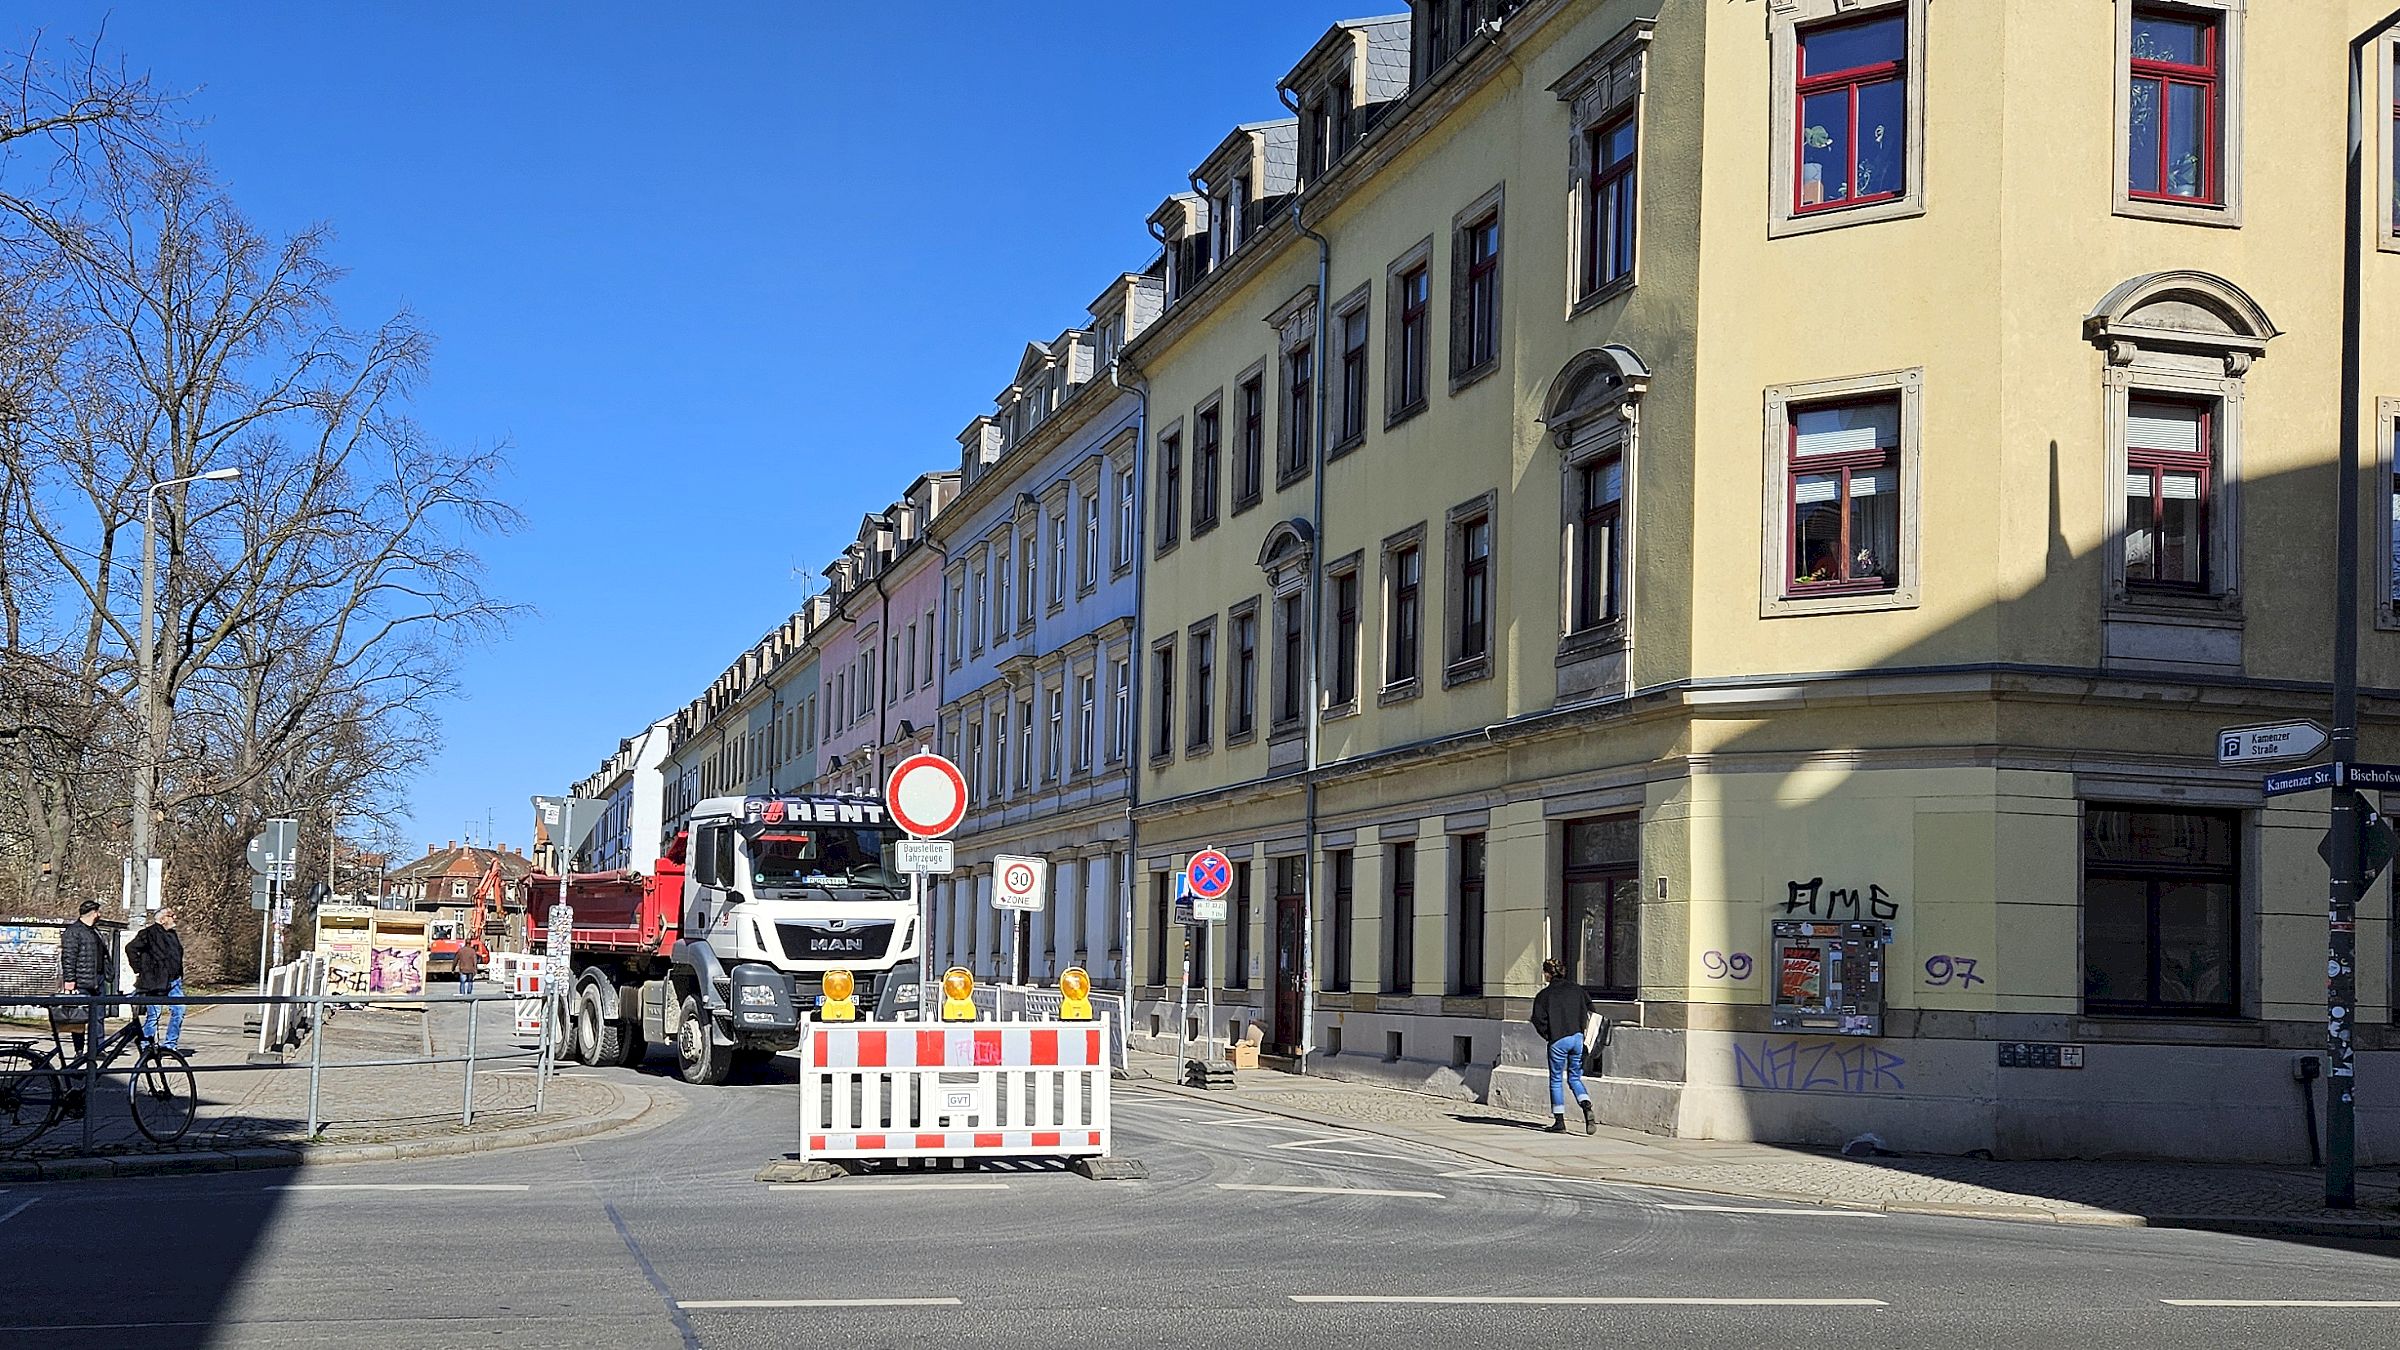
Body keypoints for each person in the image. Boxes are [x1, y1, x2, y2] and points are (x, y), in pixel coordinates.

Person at [1530, 957, 1597, 1136]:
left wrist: (1549, 1035)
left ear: (1547, 974)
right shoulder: (1577, 990)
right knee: (1575, 1077)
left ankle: (1559, 1122)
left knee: (1556, 1079)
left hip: (1558, 1039)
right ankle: (1586, 1105)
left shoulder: (1544, 995)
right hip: (1577, 1038)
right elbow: (1592, 1010)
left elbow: (1538, 1019)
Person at [56, 900, 111, 1104]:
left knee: (98, 1015)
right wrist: (70, 981)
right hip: (81, 980)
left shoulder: (95, 932)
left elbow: (103, 955)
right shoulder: (74, 932)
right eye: (98, 912)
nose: (100, 915)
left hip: (97, 980)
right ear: (92, 912)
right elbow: (68, 957)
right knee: (78, 1017)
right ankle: (80, 1051)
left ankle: (97, 1047)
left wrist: (107, 973)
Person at [127, 906, 187, 1050]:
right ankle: (146, 1044)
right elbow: (131, 948)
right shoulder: (148, 934)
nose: (175, 918)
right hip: (155, 982)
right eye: (171, 915)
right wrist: (140, 969)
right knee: (154, 1015)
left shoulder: (172, 934)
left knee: (179, 1009)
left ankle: (170, 1045)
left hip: (174, 981)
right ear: (162, 919)